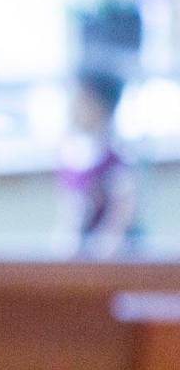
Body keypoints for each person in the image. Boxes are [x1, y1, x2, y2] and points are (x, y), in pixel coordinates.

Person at [57, 67, 140, 259]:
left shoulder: (116, 158)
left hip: (111, 257)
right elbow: (70, 213)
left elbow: (121, 214)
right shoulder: (71, 154)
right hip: (78, 254)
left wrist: (103, 248)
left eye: (83, 101)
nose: (74, 107)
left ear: (102, 107)